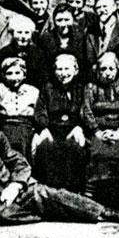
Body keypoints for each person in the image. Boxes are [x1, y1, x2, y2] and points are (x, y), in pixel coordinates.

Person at [0, 103, 119, 225]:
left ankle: (106, 213)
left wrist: (15, 185)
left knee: (48, 193)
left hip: (10, 190)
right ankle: (48, 212)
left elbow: (19, 162)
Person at [81, 52, 119, 209]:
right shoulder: (91, 87)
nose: (107, 73)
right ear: (97, 71)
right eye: (103, 69)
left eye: (111, 69)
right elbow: (86, 111)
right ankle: (91, 194)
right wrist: (97, 131)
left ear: (117, 69)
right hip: (98, 131)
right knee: (97, 154)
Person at [32, 54, 87, 192]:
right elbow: (40, 110)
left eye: (67, 69)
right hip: (52, 128)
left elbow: (86, 110)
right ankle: (51, 191)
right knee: (45, 147)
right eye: (60, 69)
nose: (63, 73)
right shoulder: (47, 88)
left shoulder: (82, 89)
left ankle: (72, 191)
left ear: (76, 70)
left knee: (74, 148)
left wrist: (79, 127)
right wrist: (44, 128)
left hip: (74, 128)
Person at [0, 57, 39, 161]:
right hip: (6, 130)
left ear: (24, 74)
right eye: (9, 73)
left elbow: (38, 117)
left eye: (17, 73)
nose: (13, 77)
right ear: (3, 75)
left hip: (26, 131)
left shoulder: (33, 91)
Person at [85, 0, 119, 79]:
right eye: (98, 8)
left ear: (114, 7)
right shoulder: (90, 31)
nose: (102, 10)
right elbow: (89, 61)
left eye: (105, 6)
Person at [0, 14, 49, 88]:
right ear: (13, 33)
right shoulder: (3, 54)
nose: (23, 36)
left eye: (27, 33)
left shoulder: (38, 54)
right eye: (19, 32)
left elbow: (43, 79)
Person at [39, 4, 86, 75]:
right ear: (54, 21)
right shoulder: (46, 39)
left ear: (73, 20)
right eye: (59, 20)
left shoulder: (81, 38)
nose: (63, 24)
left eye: (67, 20)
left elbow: (85, 65)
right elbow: (43, 67)